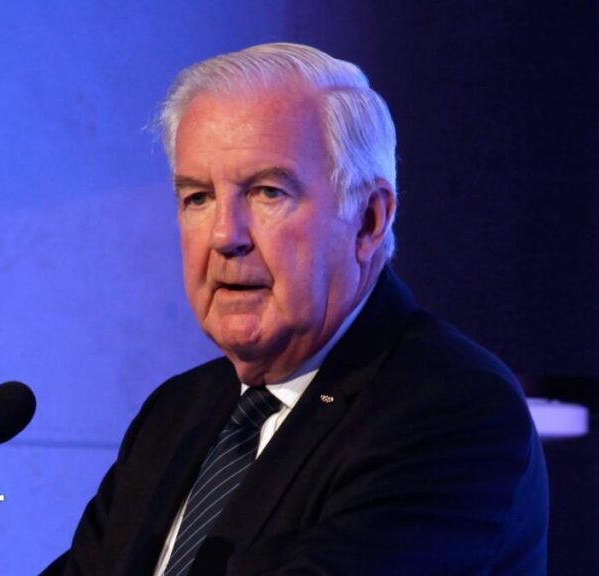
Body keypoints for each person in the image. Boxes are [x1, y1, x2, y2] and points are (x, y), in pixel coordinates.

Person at [43, 42, 547, 575]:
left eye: (266, 192)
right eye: (197, 198)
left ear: (369, 220)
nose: (224, 236)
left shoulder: (449, 407)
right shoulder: (175, 414)